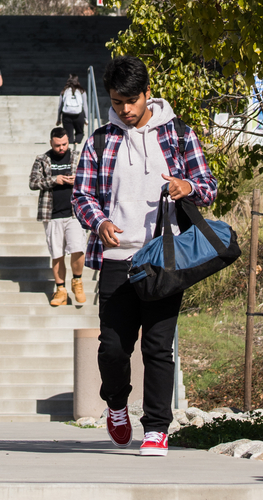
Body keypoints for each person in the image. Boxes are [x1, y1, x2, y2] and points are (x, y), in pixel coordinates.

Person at [72, 55, 217, 457]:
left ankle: (156, 428)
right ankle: (116, 404)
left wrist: (187, 186)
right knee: (113, 348)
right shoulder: (100, 139)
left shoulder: (178, 134)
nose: (124, 109)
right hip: (118, 261)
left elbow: (208, 184)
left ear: (147, 94)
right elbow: (81, 195)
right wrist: (99, 222)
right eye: (117, 102)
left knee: (158, 346)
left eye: (131, 101)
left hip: (164, 259)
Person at [29, 127, 87, 307]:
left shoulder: (77, 156)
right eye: (57, 145)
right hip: (51, 213)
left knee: (78, 248)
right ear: (51, 143)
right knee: (57, 254)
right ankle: (60, 289)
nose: (61, 148)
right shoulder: (42, 159)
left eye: (64, 144)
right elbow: (33, 182)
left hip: (74, 212)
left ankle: (77, 281)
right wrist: (56, 180)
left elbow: (89, 177)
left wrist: (75, 179)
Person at [57, 73, 89, 144]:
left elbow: (60, 106)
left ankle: (71, 147)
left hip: (66, 115)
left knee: (68, 135)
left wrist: (59, 119)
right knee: (80, 133)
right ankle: (77, 143)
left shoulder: (64, 91)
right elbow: (85, 105)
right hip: (79, 115)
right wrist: (86, 118)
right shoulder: (82, 91)